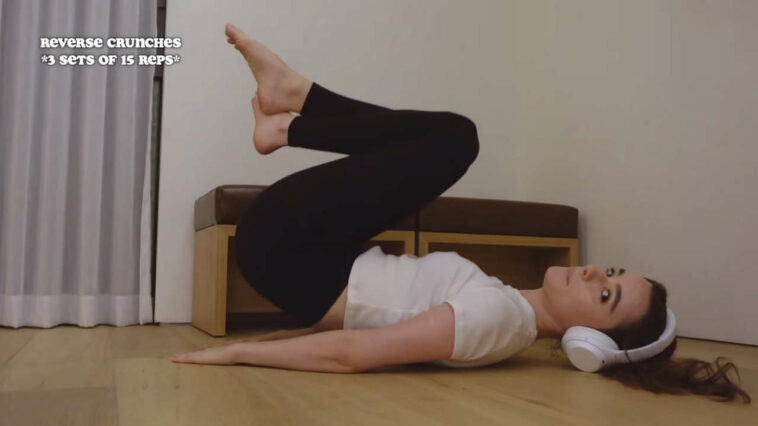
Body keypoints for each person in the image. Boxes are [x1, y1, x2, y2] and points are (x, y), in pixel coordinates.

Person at [171, 24, 750, 404]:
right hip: (319, 255)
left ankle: (293, 111)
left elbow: (354, 353)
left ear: (587, 343)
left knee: (455, 140)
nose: (597, 273)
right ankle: (289, 110)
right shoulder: (506, 308)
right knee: (444, 142)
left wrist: (239, 351)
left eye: (606, 296)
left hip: (287, 252)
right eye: (613, 273)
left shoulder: (497, 319)